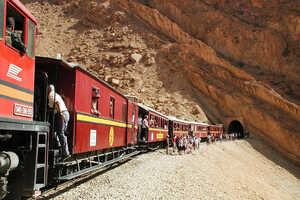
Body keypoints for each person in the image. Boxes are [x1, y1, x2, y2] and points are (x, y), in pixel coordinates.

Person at [48, 85, 70, 160]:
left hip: (61, 113)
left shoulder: (51, 94)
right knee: (57, 131)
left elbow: (57, 103)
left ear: (49, 89)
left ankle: (65, 152)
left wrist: (60, 113)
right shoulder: (55, 94)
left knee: (60, 132)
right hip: (64, 113)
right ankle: (59, 146)